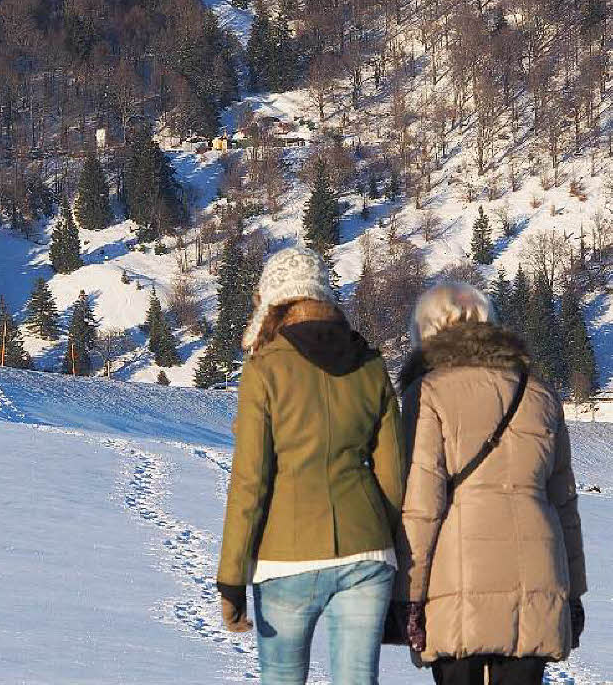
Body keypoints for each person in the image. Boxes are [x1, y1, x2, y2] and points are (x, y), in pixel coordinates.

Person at [216, 245, 404, 685]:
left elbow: (250, 481)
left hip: (286, 556)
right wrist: (386, 540)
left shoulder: (264, 369)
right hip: (367, 551)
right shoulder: (371, 365)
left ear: (274, 303)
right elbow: (394, 475)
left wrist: (231, 578)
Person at [396, 282, 587, 685]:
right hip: (540, 572)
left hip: (457, 575)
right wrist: (574, 593)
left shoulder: (427, 392)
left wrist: (408, 596)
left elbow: (421, 504)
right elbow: (565, 504)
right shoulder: (539, 394)